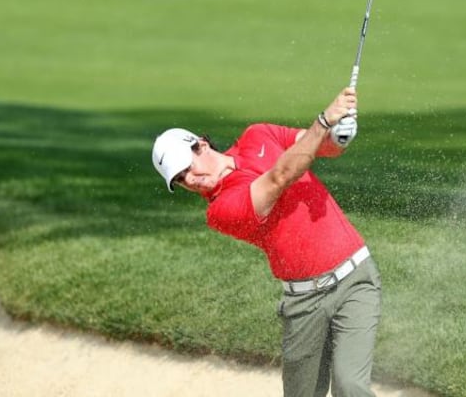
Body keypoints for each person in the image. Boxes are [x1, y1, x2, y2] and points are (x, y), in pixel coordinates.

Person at [151, 87, 380, 397]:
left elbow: (320, 147)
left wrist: (339, 133)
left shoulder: (259, 134)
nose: (190, 180)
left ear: (201, 145)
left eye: (187, 168)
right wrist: (325, 119)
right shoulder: (220, 209)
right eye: (179, 180)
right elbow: (279, 177)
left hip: (355, 278)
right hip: (304, 304)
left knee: (350, 386)